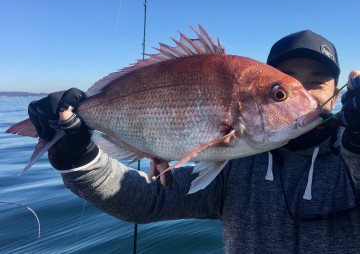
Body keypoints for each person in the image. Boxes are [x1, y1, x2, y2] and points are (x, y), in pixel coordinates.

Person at [28, 30, 360, 253]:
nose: (307, 97)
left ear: (337, 88)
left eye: (316, 83)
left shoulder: (353, 151)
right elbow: (148, 201)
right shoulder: (236, 162)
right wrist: (78, 159)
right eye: (281, 93)